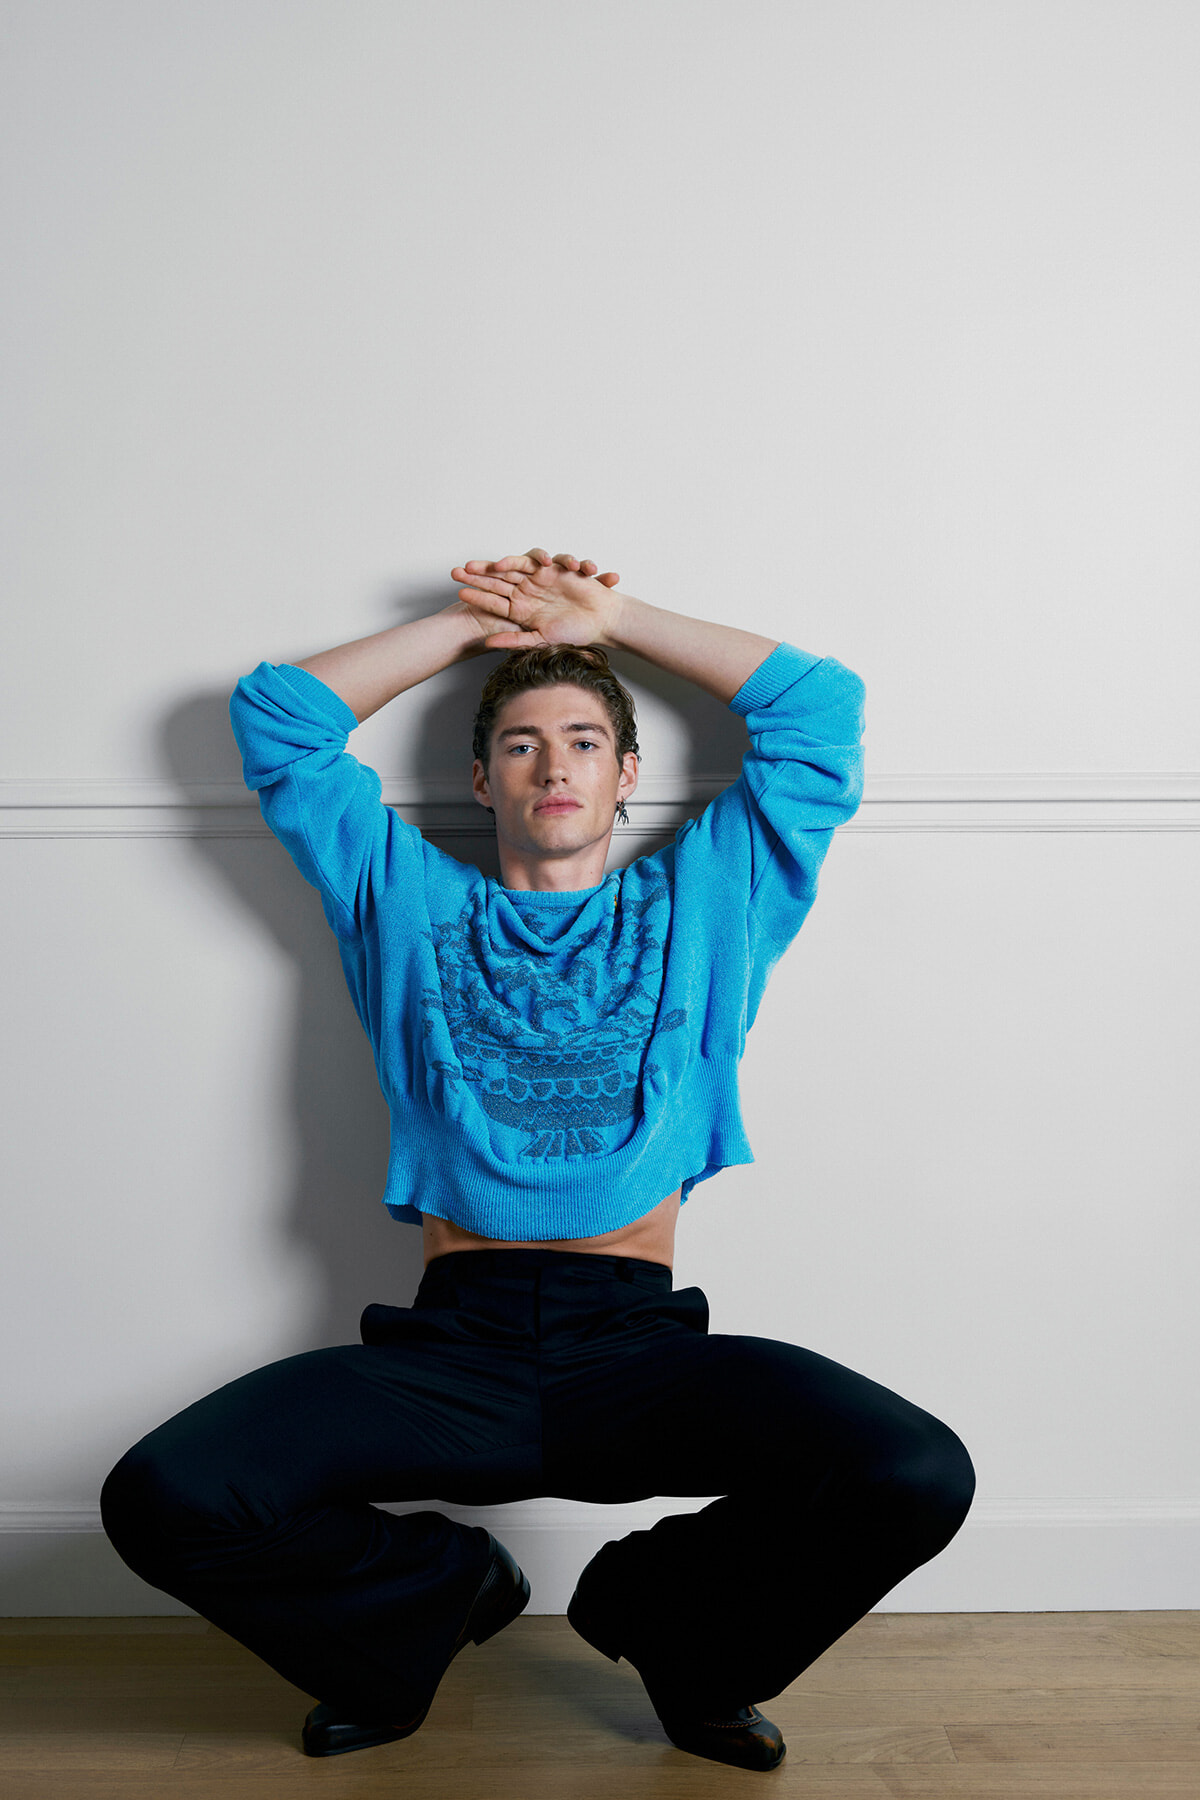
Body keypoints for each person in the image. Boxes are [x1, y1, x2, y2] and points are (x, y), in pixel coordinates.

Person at [101, 549, 975, 1774]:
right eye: (519, 741)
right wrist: (471, 625)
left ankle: (669, 1629)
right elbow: (281, 720)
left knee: (916, 1472)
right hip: (449, 1352)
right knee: (161, 1497)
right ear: (480, 776)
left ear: (626, 775)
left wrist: (613, 619)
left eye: (580, 739)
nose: (552, 761)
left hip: (639, 1351)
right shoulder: (397, 895)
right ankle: (441, 1592)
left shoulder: (709, 901)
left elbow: (816, 708)